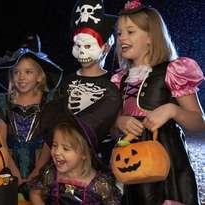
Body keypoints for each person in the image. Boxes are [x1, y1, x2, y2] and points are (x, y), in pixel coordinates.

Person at [111, 1, 205, 204]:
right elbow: (111, 129)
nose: (122, 38)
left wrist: (172, 110)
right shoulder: (120, 80)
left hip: (168, 167)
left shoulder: (173, 71)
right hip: (131, 166)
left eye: (130, 31)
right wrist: (119, 122)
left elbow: (199, 124)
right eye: (119, 33)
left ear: (151, 37)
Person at [40, 0, 122, 164]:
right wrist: (39, 167)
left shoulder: (114, 82)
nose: (82, 51)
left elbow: (115, 129)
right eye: (78, 45)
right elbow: (52, 127)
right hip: (63, 159)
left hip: (99, 160)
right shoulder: (66, 81)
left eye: (88, 45)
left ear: (105, 48)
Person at [0, 40, 63, 201]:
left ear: (39, 76)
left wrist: (37, 171)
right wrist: (14, 173)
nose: (21, 77)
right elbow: (0, 141)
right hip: (9, 162)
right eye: (16, 72)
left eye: (28, 72)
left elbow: (50, 140)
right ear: (11, 75)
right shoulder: (3, 102)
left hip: (42, 162)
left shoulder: (48, 101)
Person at [29, 111, 121, 205]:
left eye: (66, 148)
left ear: (84, 154)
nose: (57, 152)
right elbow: (35, 193)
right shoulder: (50, 174)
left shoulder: (101, 185)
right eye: (54, 145)